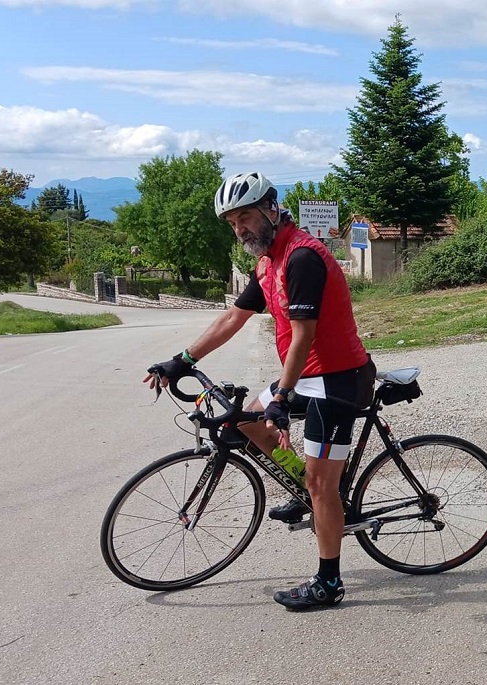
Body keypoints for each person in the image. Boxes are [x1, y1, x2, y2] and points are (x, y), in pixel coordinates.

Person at [144, 171, 376, 612]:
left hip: (338, 379)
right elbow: (234, 317)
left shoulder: (302, 257)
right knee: (247, 422)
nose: (240, 230)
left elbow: (305, 333)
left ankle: (329, 582)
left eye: (246, 218)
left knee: (322, 484)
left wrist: (283, 397)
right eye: (233, 223)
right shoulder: (269, 262)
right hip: (305, 375)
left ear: (271, 209)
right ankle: (307, 492)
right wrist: (183, 359)